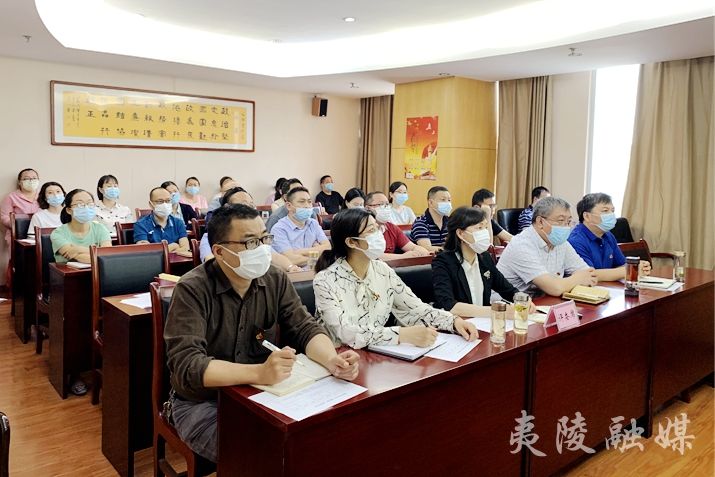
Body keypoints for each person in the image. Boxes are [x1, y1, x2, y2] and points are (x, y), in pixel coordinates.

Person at [164, 204, 360, 462]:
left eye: (264, 239)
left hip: (262, 394)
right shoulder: (192, 288)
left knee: (322, 438)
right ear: (220, 252)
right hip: (203, 403)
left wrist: (332, 359)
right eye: (250, 242)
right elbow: (188, 365)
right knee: (262, 456)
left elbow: (304, 326)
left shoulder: (274, 278)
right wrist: (259, 373)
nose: (261, 249)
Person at [313, 208, 479, 349]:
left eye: (378, 228)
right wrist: (401, 335)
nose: (379, 234)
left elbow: (415, 308)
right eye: (371, 230)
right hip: (340, 358)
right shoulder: (325, 280)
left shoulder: (382, 270)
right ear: (352, 242)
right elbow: (345, 332)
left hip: (376, 353)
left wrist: (453, 321)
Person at [432, 207, 534, 317]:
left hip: (483, 322)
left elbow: (507, 289)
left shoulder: (484, 257)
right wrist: (495, 311)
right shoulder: (443, 262)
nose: (485, 233)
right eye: (479, 228)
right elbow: (449, 305)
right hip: (458, 323)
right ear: (461, 233)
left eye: (485, 227)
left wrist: (522, 299)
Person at [497, 196, 598, 296]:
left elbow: (589, 274)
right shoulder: (522, 245)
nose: (566, 227)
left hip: (544, 301)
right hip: (510, 303)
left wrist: (574, 280)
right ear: (540, 222)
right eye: (561, 221)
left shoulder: (560, 242)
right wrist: (577, 279)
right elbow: (555, 288)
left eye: (568, 222)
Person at [199, 187, 300, 272]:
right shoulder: (211, 237)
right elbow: (211, 263)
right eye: (243, 205)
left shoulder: (260, 237)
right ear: (227, 208)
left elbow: (274, 255)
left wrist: (290, 267)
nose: (249, 209)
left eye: (251, 205)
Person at [568, 192, 651, 281]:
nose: (611, 215)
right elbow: (588, 275)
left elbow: (621, 264)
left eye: (612, 211)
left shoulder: (608, 235)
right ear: (587, 216)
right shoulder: (576, 240)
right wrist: (629, 269)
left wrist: (637, 266)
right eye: (605, 211)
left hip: (609, 287)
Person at [270, 187, 331, 266]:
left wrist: (299, 252)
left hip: (317, 270)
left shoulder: (313, 223)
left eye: (309, 202)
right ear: (289, 206)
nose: (307, 206)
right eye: (302, 202)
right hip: (296, 272)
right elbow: (291, 260)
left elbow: (328, 248)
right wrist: (317, 252)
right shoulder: (279, 229)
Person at [50, 188, 112, 264]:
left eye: (90, 204)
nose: (86, 208)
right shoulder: (58, 233)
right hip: (69, 271)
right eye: (80, 204)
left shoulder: (100, 228)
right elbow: (71, 254)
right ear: (69, 210)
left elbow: (107, 254)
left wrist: (77, 249)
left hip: (99, 271)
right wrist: (98, 253)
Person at [365, 191, 429, 259]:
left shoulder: (391, 227)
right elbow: (372, 255)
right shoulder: (364, 229)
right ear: (368, 208)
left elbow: (412, 247)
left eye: (387, 204)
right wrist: (402, 257)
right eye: (381, 204)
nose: (385, 207)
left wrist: (422, 252)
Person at [134, 187, 190, 253]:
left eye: (168, 201)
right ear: (151, 204)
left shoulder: (178, 223)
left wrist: (159, 251)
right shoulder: (141, 224)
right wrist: (173, 246)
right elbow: (146, 252)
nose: (165, 204)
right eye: (160, 201)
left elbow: (185, 248)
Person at [1, 168, 40, 246]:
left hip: (40, 234)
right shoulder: (11, 197)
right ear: (19, 182)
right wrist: (18, 226)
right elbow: (4, 217)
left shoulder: (43, 195)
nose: (31, 181)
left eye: (34, 178)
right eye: (26, 178)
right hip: (18, 236)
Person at [411, 186, 452, 252]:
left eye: (449, 200)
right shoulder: (420, 223)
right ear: (431, 202)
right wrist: (452, 251)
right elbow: (426, 248)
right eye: (443, 200)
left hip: (446, 256)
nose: (447, 203)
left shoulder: (451, 222)